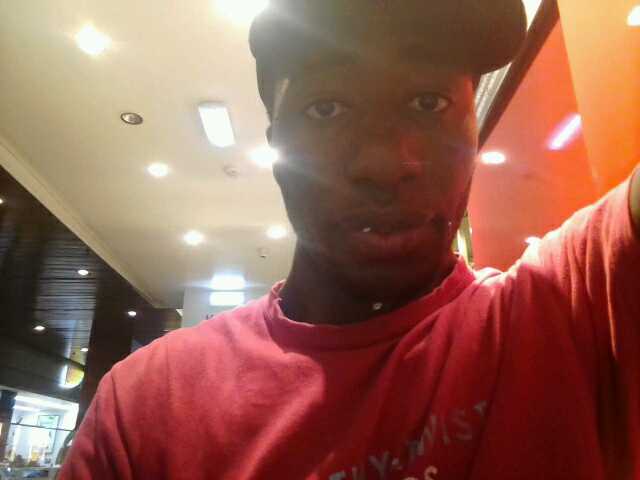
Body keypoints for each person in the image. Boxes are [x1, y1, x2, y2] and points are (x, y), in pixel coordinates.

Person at [59, 1, 640, 479]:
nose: (384, 163)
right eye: (327, 107)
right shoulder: (149, 404)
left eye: (429, 102)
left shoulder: (571, 309)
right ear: (276, 147)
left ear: (472, 127)